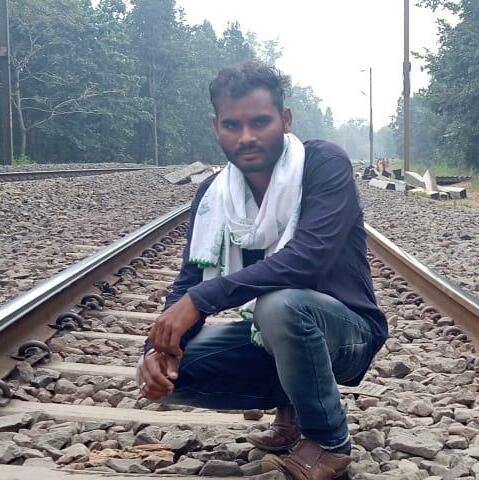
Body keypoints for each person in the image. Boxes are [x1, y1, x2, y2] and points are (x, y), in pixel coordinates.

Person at [137, 62, 388, 480]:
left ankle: (328, 442)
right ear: (216, 127)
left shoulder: (322, 164)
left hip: (347, 334)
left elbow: (306, 259)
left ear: (285, 120)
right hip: (274, 335)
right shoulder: (214, 193)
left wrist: (201, 301)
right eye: (232, 125)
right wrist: (157, 349)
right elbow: (190, 279)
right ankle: (293, 409)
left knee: (280, 306)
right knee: (170, 375)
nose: (246, 137)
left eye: (259, 122)